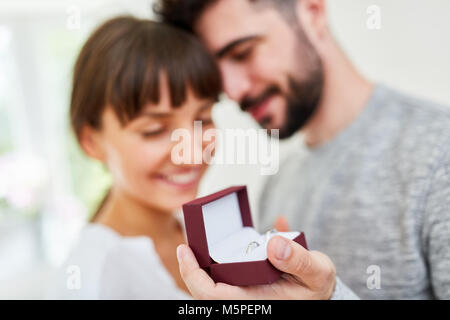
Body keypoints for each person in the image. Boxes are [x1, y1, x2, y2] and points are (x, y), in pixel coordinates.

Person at [156, 0, 450, 299]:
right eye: (219, 77)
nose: (233, 91)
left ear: (312, 13)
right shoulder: (277, 184)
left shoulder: (440, 155)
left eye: (242, 53)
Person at [47, 16, 222, 299]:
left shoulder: (205, 232)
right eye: (154, 130)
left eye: (203, 118)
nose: (191, 151)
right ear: (91, 142)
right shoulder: (91, 283)